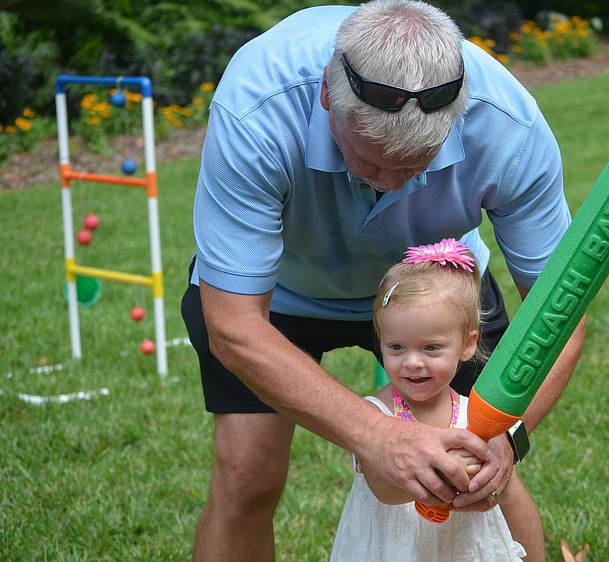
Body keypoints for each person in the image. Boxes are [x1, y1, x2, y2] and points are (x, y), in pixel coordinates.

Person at [180, 0, 586, 560]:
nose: (393, 183)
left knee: (483, 475)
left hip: (434, 289)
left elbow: (560, 314)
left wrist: (507, 439)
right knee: (247, 478)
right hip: (278, 296)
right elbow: (232, 324)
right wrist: (379, 436)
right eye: (370, 163)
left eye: (416, 165)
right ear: (328, 97)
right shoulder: (258, 107)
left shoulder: (508, 126)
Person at [330, 239, 526, 561]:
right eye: (396, 348)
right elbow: (384, 489)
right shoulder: (376, 414)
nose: (412, 362)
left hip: (461, 548)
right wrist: (452, 472)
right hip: (394, 548)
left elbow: (495, 473)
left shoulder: (472, 413)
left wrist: (485, 474)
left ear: (467, 345)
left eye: (431, 348)